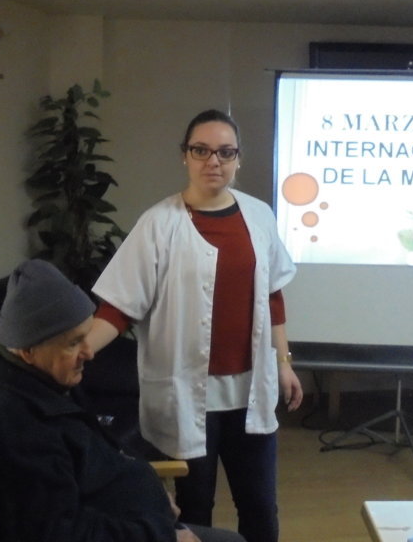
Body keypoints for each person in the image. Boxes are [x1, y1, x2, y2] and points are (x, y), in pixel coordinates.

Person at [88, 109, 302, 542]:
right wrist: (79, 351)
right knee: (194, 510)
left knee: (261, 509)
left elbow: (272, 296)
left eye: (225, 152)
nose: (213, 161)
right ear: (184, 155)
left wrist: (284, 362)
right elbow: (119, 307)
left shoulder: (259, 216)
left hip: (250, 393)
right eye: (201, 150)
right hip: (187, 396)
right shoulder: (158, 223)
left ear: (239, 158)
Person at [0, 258, 245, 542]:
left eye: (85, 337)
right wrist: (164, 536)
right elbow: (65, 535)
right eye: (74, 343)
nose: (89, 352)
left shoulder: (45, 382)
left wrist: (153, 492)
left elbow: (101, 451)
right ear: (28, 351)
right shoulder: (16, 430)